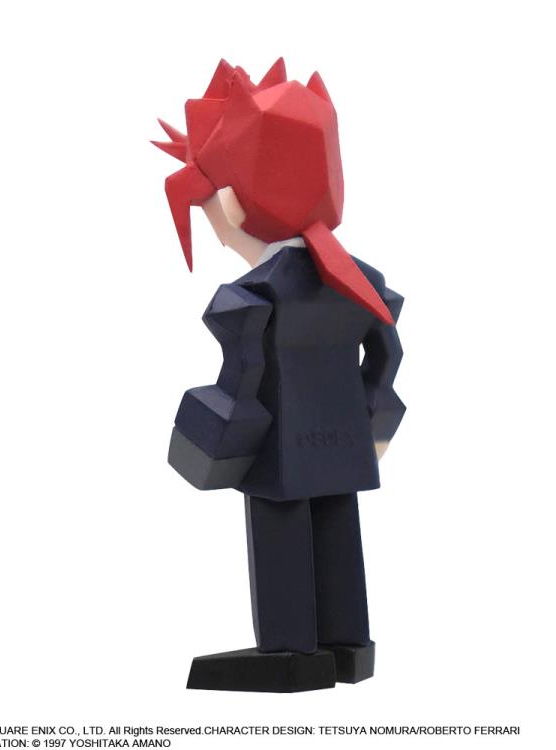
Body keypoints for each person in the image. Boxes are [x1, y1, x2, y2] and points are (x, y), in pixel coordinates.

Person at [153, 58, 405, 692]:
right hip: (345, 444)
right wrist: (374, 424)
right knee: (338, 528)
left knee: (282, 536)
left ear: (231, 204)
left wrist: (213, 439)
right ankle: (348, 645)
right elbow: (387, 358)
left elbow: (242, 379)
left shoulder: (252, 296)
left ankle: (292, 651)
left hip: (278, 451)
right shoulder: (364, 285)